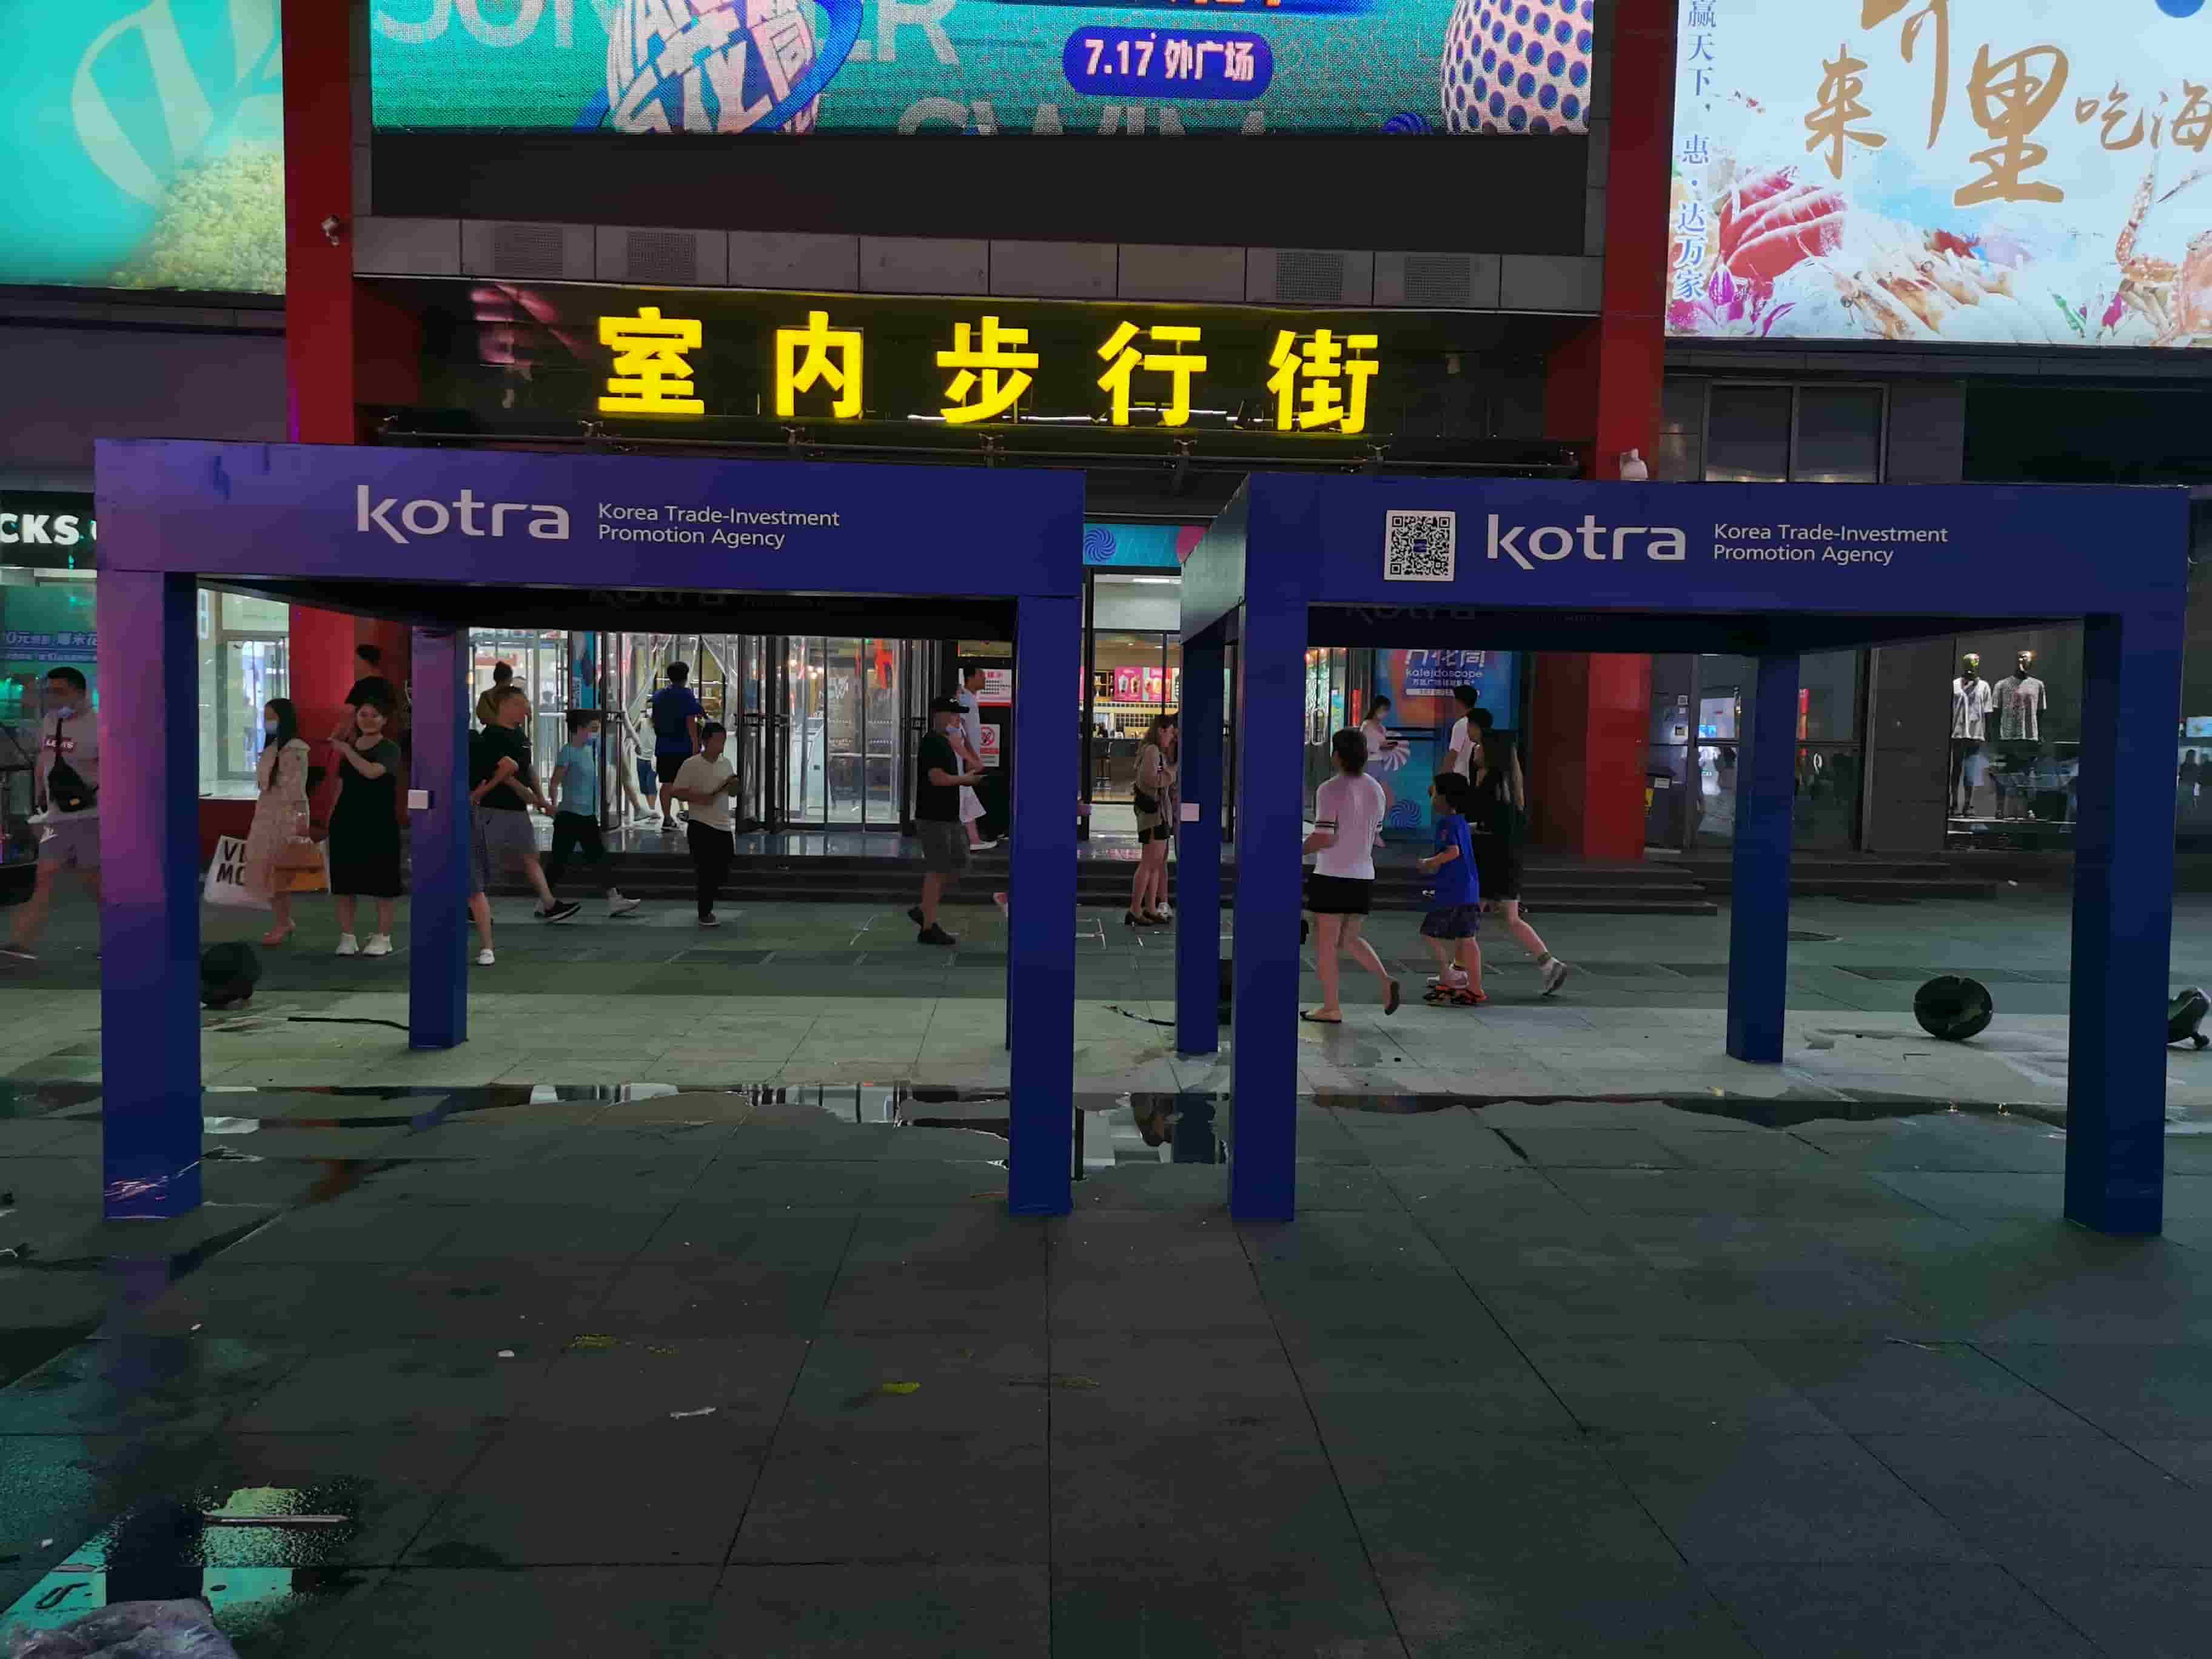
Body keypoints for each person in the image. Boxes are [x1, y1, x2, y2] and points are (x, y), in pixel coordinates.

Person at [468, 685, 580, 965]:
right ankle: (472, 904)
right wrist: (527, 795)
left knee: (530, 856)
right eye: (521, 704)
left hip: (516, 810)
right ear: (504, 706)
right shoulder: (490, 737)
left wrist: (540, 798)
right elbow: (502, 773)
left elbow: (526, 769)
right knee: (485, 861)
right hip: (494, 808)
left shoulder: (520, 736)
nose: (527, 710)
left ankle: (549, 904)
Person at [1, 666, 101, 965]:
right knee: (45, 876)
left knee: (94, 881)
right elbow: (45, 759)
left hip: (90, 815)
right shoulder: (50, 721)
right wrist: (39, 801)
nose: (54, 698)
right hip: (57, 817)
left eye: (61, 692)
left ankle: (125, 936)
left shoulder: (100, 725)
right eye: (50, 692)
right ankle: (19, 942)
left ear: (80, 692)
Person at [1301, 727, 1399, 1023]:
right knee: (1350, 939)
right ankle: (1385, 980)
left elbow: (1324, 836)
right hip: (1363, 874)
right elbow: (1376, 833)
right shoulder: (1376, 789)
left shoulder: (1330, 789)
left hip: (1332, 875)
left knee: (1326, 944)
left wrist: (1295, 851)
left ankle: (1331, 1007)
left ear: (1337, 756)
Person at [1470, 727, 1570, 996]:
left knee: (1469, 916)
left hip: (1491, 862)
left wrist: (1468, 829)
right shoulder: (1511, 783)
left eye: (1480, 745)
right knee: (1509, 918)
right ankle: (1549, 963)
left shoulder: (1491, 781)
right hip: (1508, 860)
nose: (1475, 749)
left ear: (1490, 751)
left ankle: (1459, 972)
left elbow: (1487, 823)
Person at [327, 690, 404, 957]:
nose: (368, 720)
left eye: (375, 716)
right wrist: (329, 819)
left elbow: (372, 772)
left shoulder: (390, 749)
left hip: (379, 822)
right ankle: (347, 936)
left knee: (383, 883)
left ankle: (383, 937)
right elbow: (340, 786)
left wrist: (346, 749)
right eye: (363, 715)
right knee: (343, 883)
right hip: (346, 821)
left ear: (384, 720)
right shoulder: (350, 746)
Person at [545, 709, 643, 918]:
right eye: (593, 729)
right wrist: (552, 807)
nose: (596, 733)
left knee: (598, 857)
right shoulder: (567, 752)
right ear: (580, 729)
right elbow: (554, 783)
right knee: (558, 862)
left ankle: (614, 898)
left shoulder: (589, 751)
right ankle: (543, 901)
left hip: (587, 816)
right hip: (569, 816)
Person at [912, 695, 984, 947]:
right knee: (938, 869)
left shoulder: (947, 743)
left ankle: (924, 908)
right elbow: (937, 778)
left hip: (949, 817)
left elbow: (976, 766)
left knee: (959, 864)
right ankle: (928, 928)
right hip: (934, 817)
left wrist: (963, 747)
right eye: (953, 714)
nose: (958, 719)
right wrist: (964, 781)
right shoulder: (932, 742)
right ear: (939, 715)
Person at [242, 697, 313, 948]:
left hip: (285, 818)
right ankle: (283, 920)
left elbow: (297, 791)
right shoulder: (272, 747)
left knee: (277, 872)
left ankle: (283, 922)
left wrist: (301, 821)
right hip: (265, 816)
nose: (267, 722)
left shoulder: (295, 749)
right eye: (265, 717)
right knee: (263, 868)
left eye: (272, 717)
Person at [1416, 772, 1484, 1006]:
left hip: (1453, 892)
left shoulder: (1446, 823)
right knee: (1467, 939)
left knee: (1428, 933)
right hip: (1470, 891)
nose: (1431, 796)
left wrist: (1429, 863)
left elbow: (1453, 851)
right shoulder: (1462, 822)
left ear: (1444, 799)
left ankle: (1448, 978)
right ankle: (1475, 989)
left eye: (1434, 792)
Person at [670, 721, 740, 925]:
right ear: (705, 741)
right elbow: (676, 791)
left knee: (725, 865)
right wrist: (699, 797)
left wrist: (734, 786)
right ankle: (705, 912)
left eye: (723, 741)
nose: (721, 745)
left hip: (723, 824)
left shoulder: (726, 763)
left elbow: (733, 793)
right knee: (705, 870)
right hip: (700, 824)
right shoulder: (691, 764)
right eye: (717, 741)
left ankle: (709, 900)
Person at [1127, 712, 1177, 928]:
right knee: (1148, 863)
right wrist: (1171, 773)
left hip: (1159, 814)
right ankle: (1135, 910)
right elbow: (1151, 779)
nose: (1172, 737)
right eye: (1171, 733)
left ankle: (1150, 907)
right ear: (1161, 730)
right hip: (1153, 815)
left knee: (1156, 864)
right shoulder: (1152, 751)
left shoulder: (1156, 751)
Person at [649, 662, 705, 831]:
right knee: (690, 784)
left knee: (666, 783)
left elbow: (654, 720)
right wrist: (696, 745)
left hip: (664, 747)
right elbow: (690, 723)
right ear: (686, 677)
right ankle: (693, 815)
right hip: (683, 747)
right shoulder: (686, 695)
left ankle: (667, 819)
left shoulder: (659, 695)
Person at [952, 663, 999, 853]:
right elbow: (962, 731)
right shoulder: (964, 700)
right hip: (965, 758)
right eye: (981, 675)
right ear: (970, 678)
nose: (985, 678)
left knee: (966, 796)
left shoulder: (970, 698)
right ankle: (971, 839)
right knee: (965, 795)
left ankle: (972, 839)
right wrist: (970, 758)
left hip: (968, 757)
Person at [1362, 694, 1409, 844]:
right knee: (1371, 799)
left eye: (1386, 710)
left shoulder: (1381, 727)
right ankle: (1369, 833)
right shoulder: (1367, 726)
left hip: (1380, 763)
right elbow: (1366, 747)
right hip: (1369, 764)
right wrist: (1380, 746)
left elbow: (1380, 747)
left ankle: (1376, 832)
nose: (1384, 713)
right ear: (1375, 709)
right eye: (1382, 709)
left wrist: (1387, 747)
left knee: (1381, 799)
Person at [474, 660, 514, 729]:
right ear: (508, 679)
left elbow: (483, 719)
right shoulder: (513, 696)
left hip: (491, 733)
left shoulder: (485, 695)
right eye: (511, 677)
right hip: (510, 733)